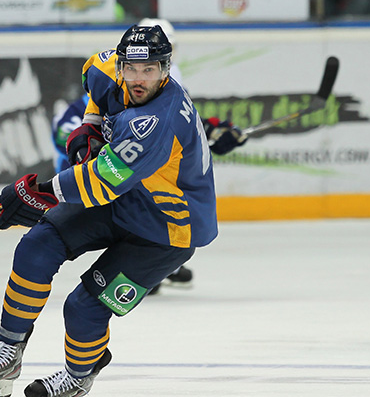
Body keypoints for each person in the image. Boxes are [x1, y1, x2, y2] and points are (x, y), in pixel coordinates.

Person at [0, 24, 218, 397]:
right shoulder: (105, 68)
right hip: (128, 198)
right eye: (131, 69)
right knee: (37, 246)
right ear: (119, 65)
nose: (138, 79)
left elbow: (103, 181)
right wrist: (91, 125)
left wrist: (40, 193)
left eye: (149, 70)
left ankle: (77, 376)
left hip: (168, 229)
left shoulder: (158, 122)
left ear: (166, 70)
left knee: (84, 306)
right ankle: (8, 351)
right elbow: (93, 84)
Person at [50, 18, 245, 294]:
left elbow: (174, 132)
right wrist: (88, 135)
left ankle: (149, 261)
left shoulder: (168, 78)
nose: (143, 72)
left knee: (151, 198)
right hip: (100, 169)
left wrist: (215, 132)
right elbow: (77, 127)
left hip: (127, 166)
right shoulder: (113, 78)